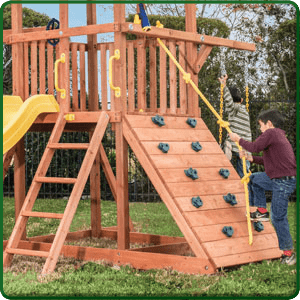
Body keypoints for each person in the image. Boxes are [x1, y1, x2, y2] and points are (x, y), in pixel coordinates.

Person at [229, 109, 297, 265]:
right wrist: (250, 158)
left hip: (283, 181)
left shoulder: (271, 133)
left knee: (278, 217)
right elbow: (269, 161)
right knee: (253, 179)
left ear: (269, 123)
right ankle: (261, 211)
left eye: (261, 126)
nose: (260, 130)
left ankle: (288, 254)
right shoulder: (278, 136)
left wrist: (238, 139)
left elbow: (254, 146)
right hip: (278, 177)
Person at [218, 74, 252, 178]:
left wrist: (223, 86)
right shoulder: (244, 111)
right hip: (246, 147)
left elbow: (229, 101)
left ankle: (228, 145)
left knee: (230, 139)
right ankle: (247, 191)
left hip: (236, 144)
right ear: (241, 100)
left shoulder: (234, 109)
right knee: (244, 174)